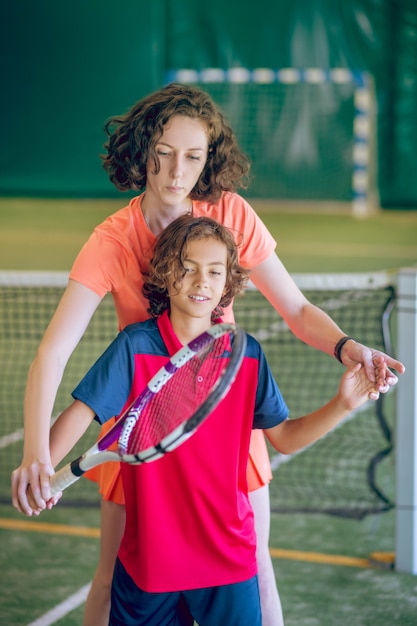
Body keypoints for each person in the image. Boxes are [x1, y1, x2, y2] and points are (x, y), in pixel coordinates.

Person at [11, 83, 404, 626]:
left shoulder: (230, 216)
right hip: (143, 429)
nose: (177, 172)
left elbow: (296, 308)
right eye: (164, 153)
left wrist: (348, 348)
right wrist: (38, 454)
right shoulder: (112, 241)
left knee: (256, 568)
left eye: (193, 157)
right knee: (113, 575)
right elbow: (53, 353)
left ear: (208, 160)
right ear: (142, 148)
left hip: (222, 421)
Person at [46, 215, 384, 626]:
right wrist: (41, 467)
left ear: (228, 283)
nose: (200, 280)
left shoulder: (247, 356)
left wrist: (343, 405)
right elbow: (81, 412)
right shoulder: (134, 347)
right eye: (187, 268)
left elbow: (285, 438)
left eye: (214, 271)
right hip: (151, 565)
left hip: (229, 563)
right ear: (166, 274)